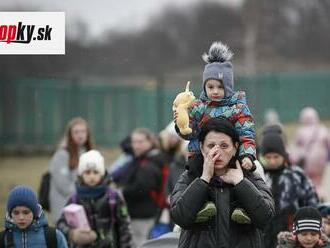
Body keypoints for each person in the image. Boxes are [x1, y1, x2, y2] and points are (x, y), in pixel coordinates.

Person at [173, 41, 257, 224]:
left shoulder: (238, 107)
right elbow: (191, 133)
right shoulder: (198, 107)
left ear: (228, 86)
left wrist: (248, 155)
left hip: (230, 154)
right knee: (195, 171)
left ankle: (241, 208)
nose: (215, 92)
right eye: (210, 87)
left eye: (220, 87)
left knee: (239, 174)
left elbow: (246, 132)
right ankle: (202, 205)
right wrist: (181, 125)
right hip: (201, 154)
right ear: (204, 87)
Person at [170, 117, 275, 248]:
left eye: (224, 146)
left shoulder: (250, 176)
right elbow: (180, 217)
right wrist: (204, 179)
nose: (217, 152)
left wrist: (240, 183)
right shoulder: (190, 177)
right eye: (211, 146)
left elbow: (265, 217)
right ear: (202, 148)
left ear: (235, 148)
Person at [57, 150, 134, 248]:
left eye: (96, 172)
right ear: (81, 175)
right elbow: (60, 223)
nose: (91, 176)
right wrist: (72, 234)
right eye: (87, 172)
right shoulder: (74, 199)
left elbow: (125, 226)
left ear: (102, 174)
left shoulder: (113, 197)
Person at [260, 127, 319, 248]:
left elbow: (312, 204)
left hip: (292, 238)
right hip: (262, 238)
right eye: (268, 157)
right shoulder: (258, 176)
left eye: (276, 157)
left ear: (284, 155)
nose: (272, 161)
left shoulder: (296, 176)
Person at [122, 128, 163, 247]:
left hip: (143, 214)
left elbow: (141, 188)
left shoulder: (150, 164)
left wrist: (122, 192)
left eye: (140, 142)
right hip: (139, 213)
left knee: (141, 244)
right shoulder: (141, 159)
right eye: (134, 142)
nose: (136, 146)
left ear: (150, 142)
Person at [49, 117, 93, 223]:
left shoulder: (89, 153)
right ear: (70, 135)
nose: (80, 135)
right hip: (64, 210)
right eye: (76, 132)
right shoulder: (61, 155)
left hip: (84, 209)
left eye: (83, 131)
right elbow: (64, 186)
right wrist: (87, 192)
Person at [1, 185, 68, 247]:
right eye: (16, 213)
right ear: (10, 214)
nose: (21, 217)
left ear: (35, 213)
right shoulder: (2, 239)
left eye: (26, 212)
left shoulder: (54, 237)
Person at [291, 107, 330, 200]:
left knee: (309, 181)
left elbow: (297, 147)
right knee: (319, 181)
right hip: (321, 161)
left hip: (307, 161)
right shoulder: (323, 130)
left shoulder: (301, 131)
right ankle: (321, 195)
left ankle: (312, 197)